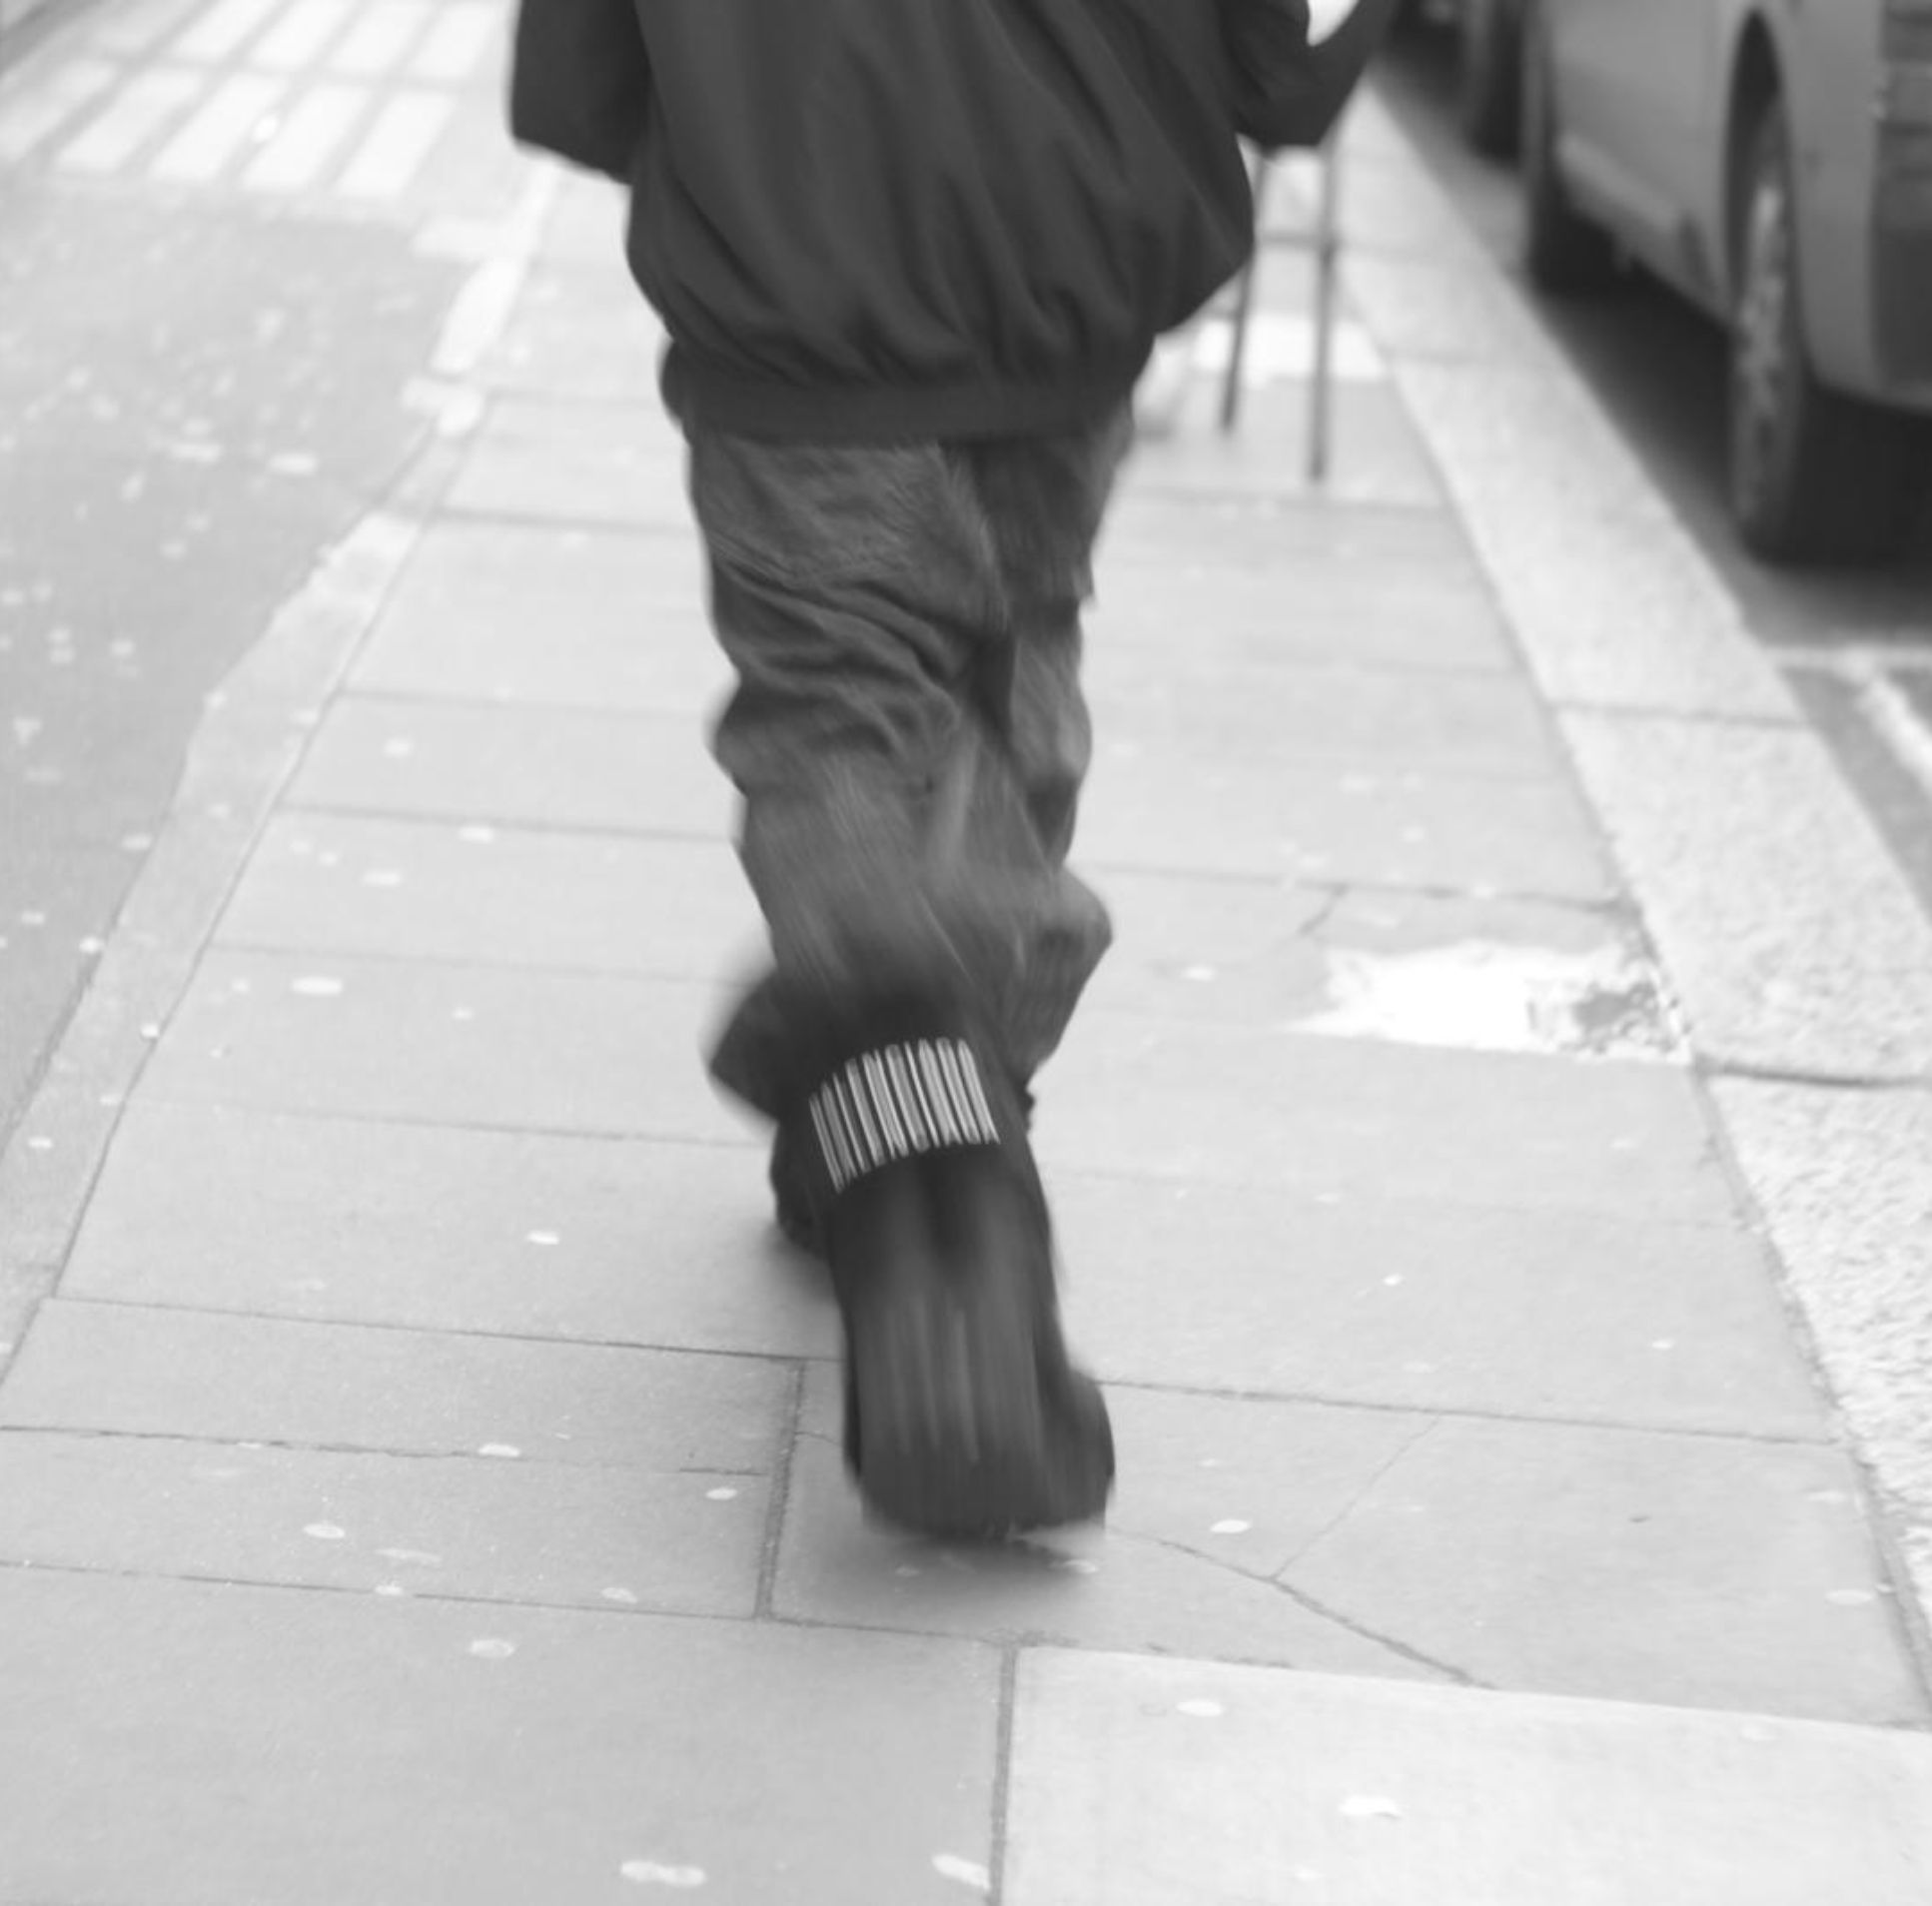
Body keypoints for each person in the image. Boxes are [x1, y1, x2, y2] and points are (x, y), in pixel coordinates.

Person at [508, 0, 1399, 1538]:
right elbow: (1295, 58)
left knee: (841, 711)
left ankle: (941, 1232)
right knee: (1009, 686)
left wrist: (735, 146)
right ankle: (909, 1118)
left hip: (799, 301)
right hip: (1069, 272)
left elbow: (580, 79)